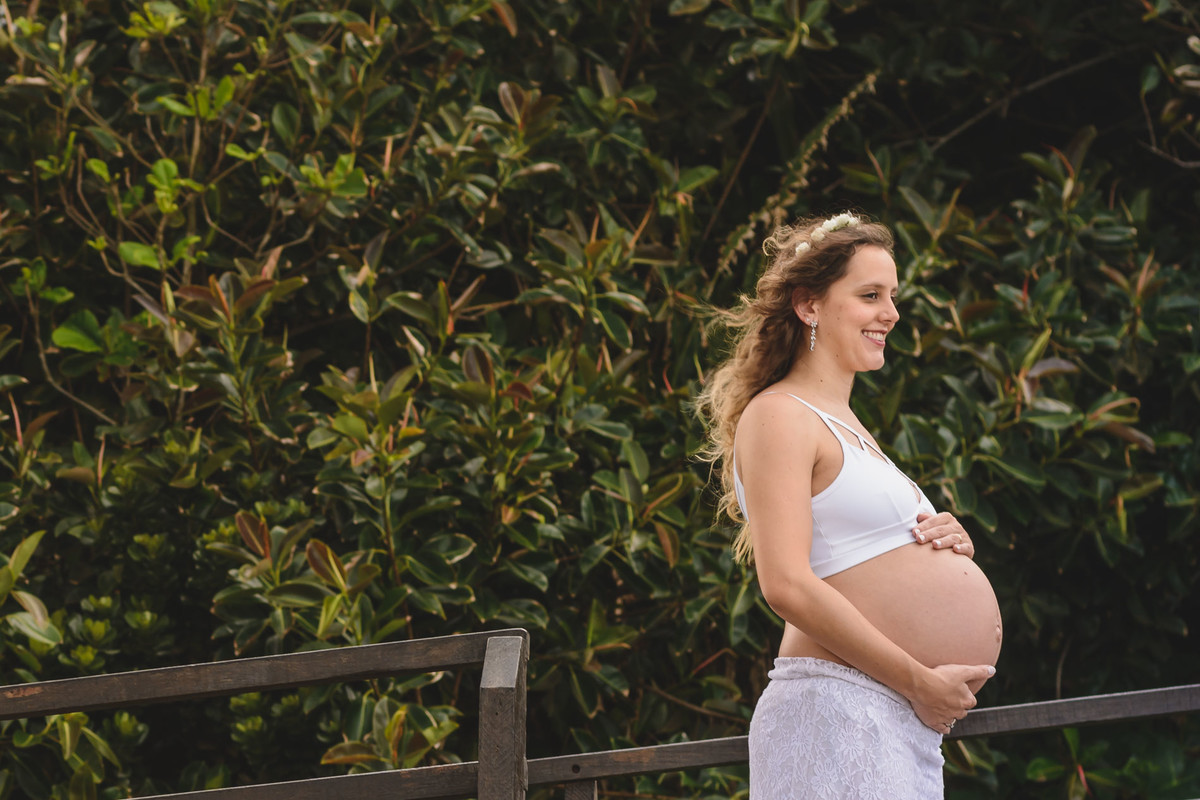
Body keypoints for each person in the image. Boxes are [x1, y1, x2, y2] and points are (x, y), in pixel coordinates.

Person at [696, 214, 1003, 798]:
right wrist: (918, 681)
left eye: (892, 296)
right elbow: (785, 582)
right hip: (838, 708)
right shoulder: (781, 414)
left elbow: (861, 554)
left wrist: (947, 542)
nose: (890, 313)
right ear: (809, 305)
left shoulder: (848, 423)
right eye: (869, 296)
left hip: (888, 714)